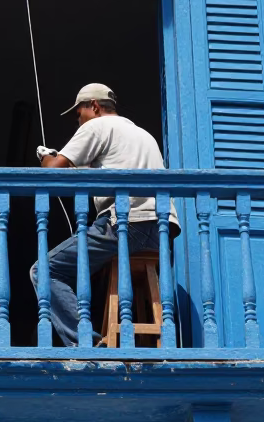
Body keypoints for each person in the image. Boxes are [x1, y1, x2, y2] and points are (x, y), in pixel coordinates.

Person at [31, 83, 179, 347]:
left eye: (79, 114)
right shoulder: (142, 134)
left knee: (43, 270)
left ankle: (84, 341)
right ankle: (130, 342)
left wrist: (45, 157)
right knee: (98, 274)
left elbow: (53, 170)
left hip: (124, 225)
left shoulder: (96, 127)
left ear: (95, 107)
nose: (78, 121)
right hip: (162, 232)